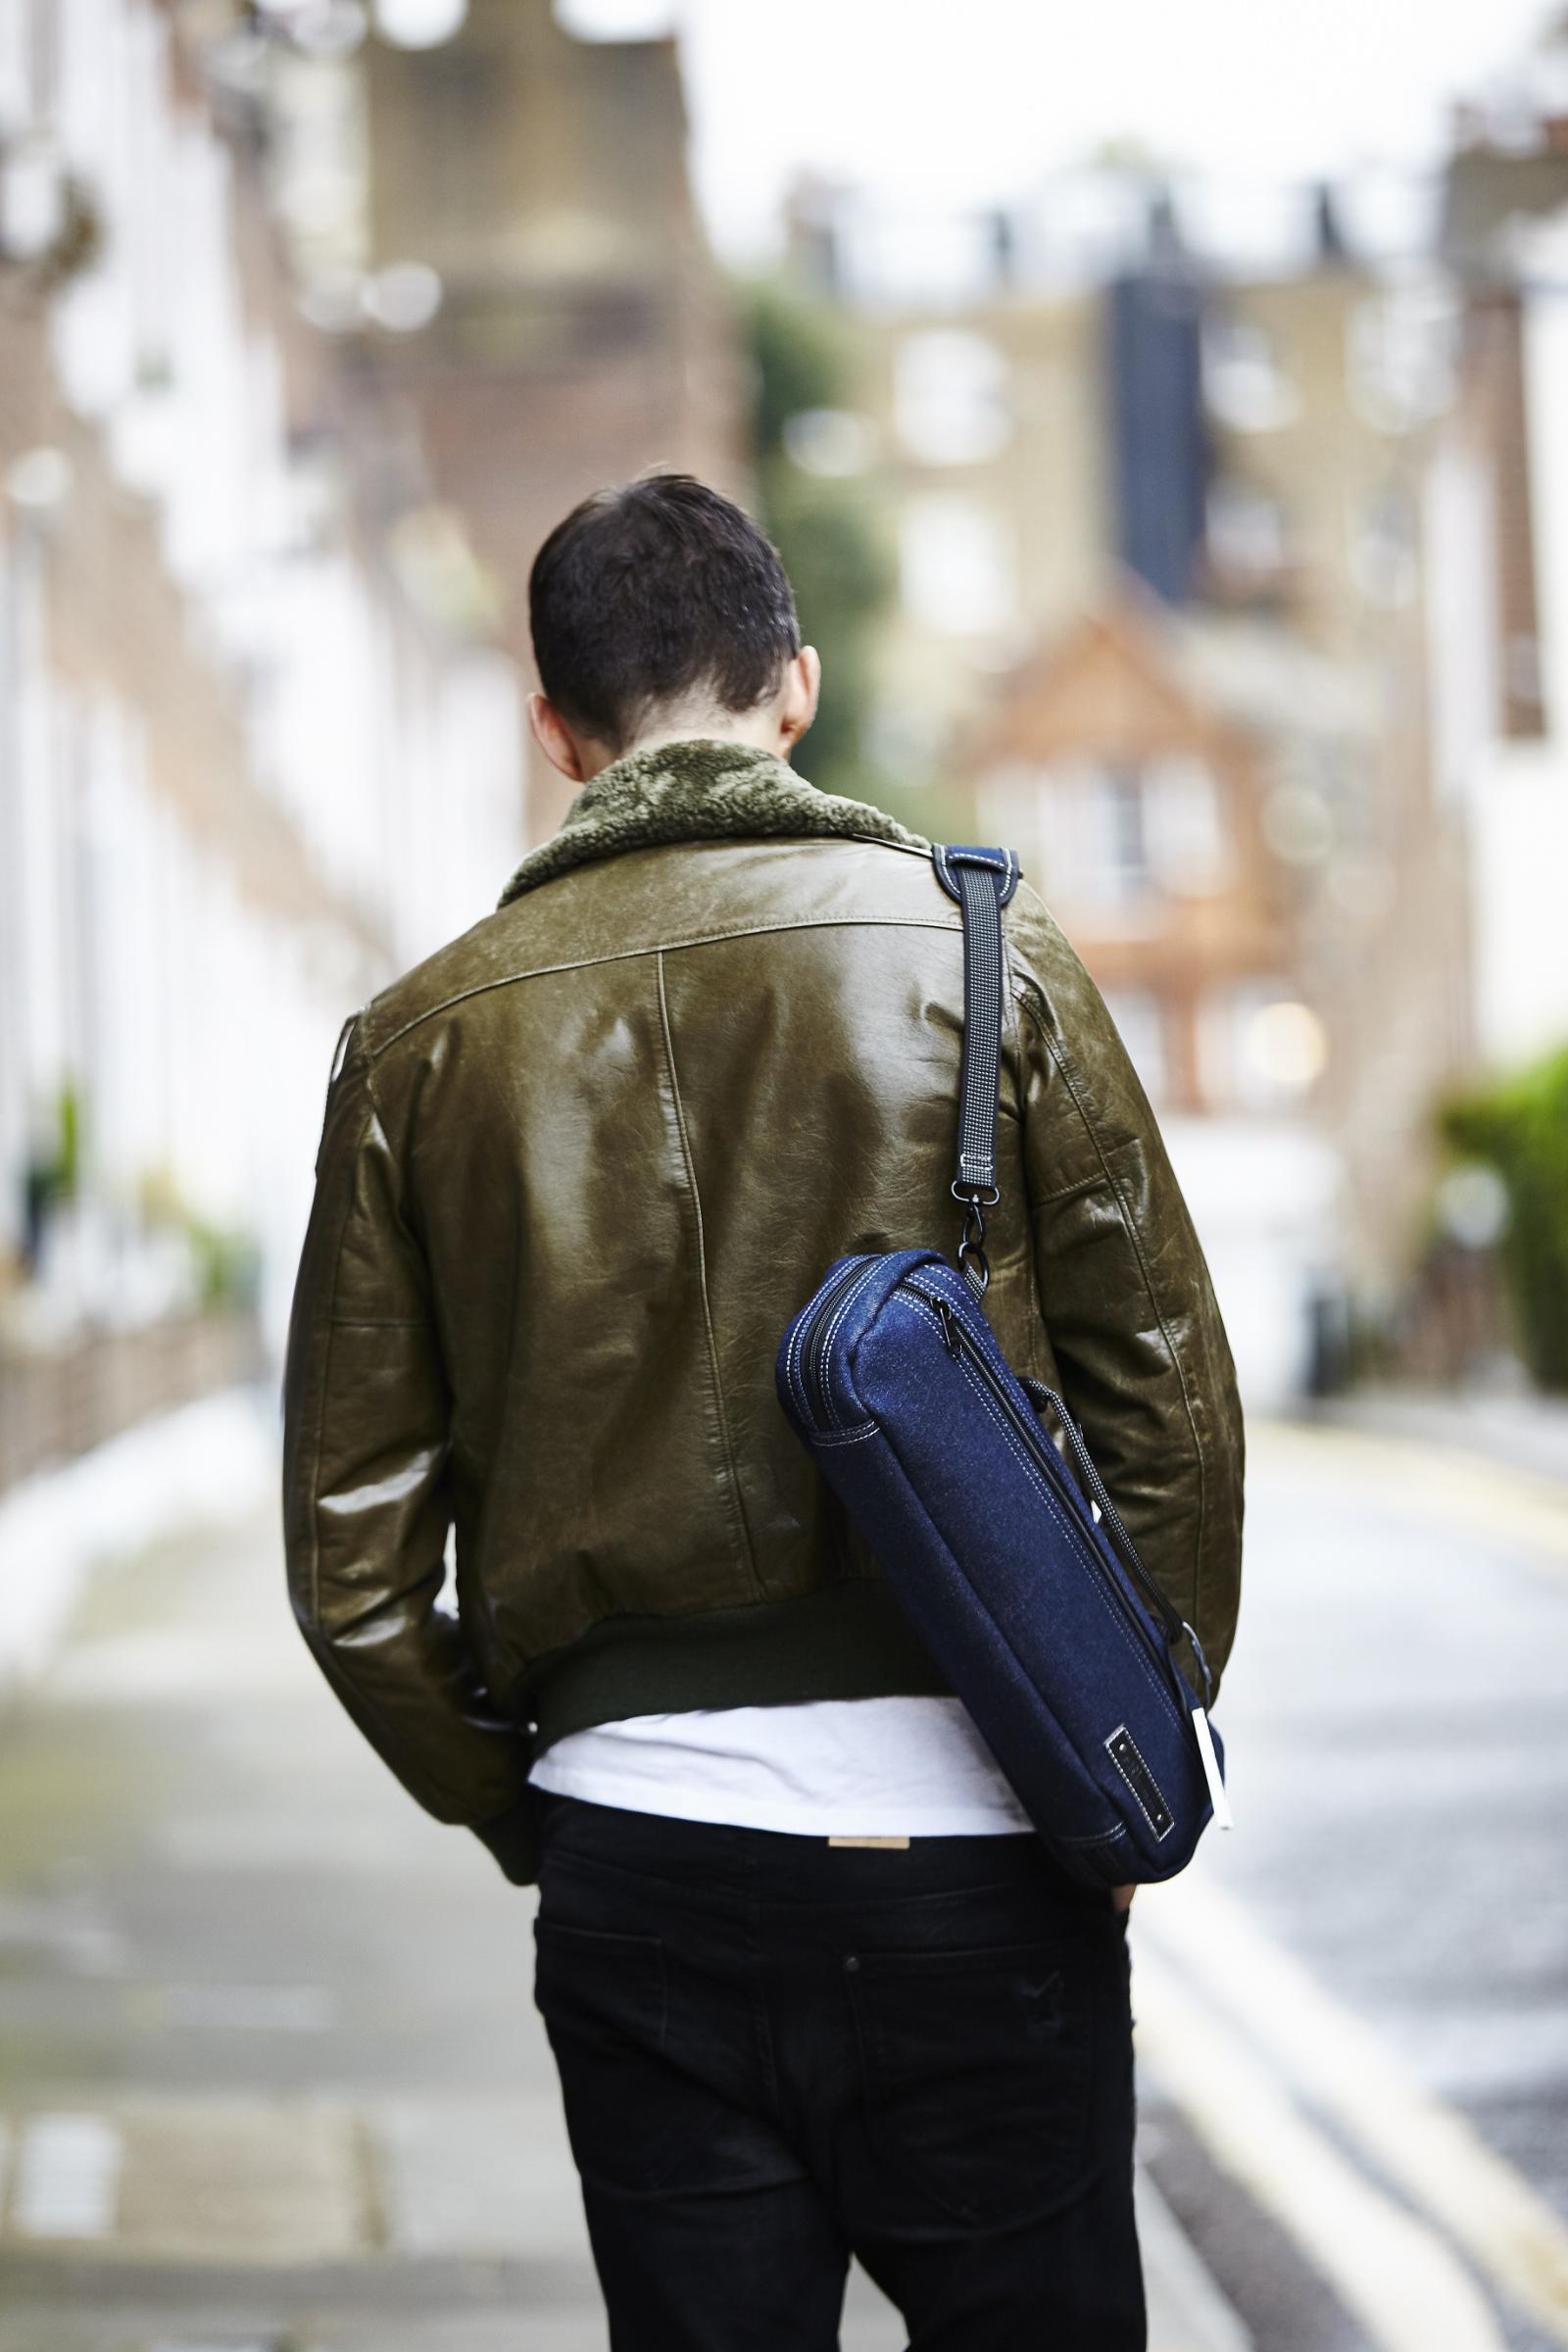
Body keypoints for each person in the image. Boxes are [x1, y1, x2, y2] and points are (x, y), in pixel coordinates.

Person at [281, 471, 1245, 2350]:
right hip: (985, 1849)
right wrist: (1118, 1747)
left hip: (639, 1863)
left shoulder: (415, 1047)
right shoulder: (986, 954)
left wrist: (536, 1809)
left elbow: (356, 1571)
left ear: (555, 732)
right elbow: (1171, 1422)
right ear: (793, 689)